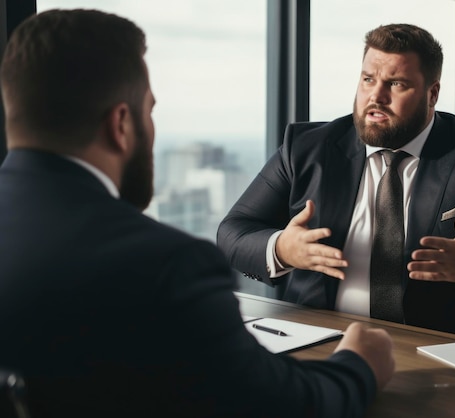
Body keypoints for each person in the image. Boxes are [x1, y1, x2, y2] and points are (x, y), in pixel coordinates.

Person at [0, 9, 395, 418]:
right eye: (149, 111)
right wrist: (359, 365)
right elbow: (282, 406)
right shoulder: (167, 266)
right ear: (120, 124)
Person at [217, 23, 455, 341]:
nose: (376, 96)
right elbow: (233, 231)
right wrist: (282, 249)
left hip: (441, 345)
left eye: (396, 84)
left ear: (432, 93)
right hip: (320, 337)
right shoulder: (308, 147)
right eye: (368, 79)